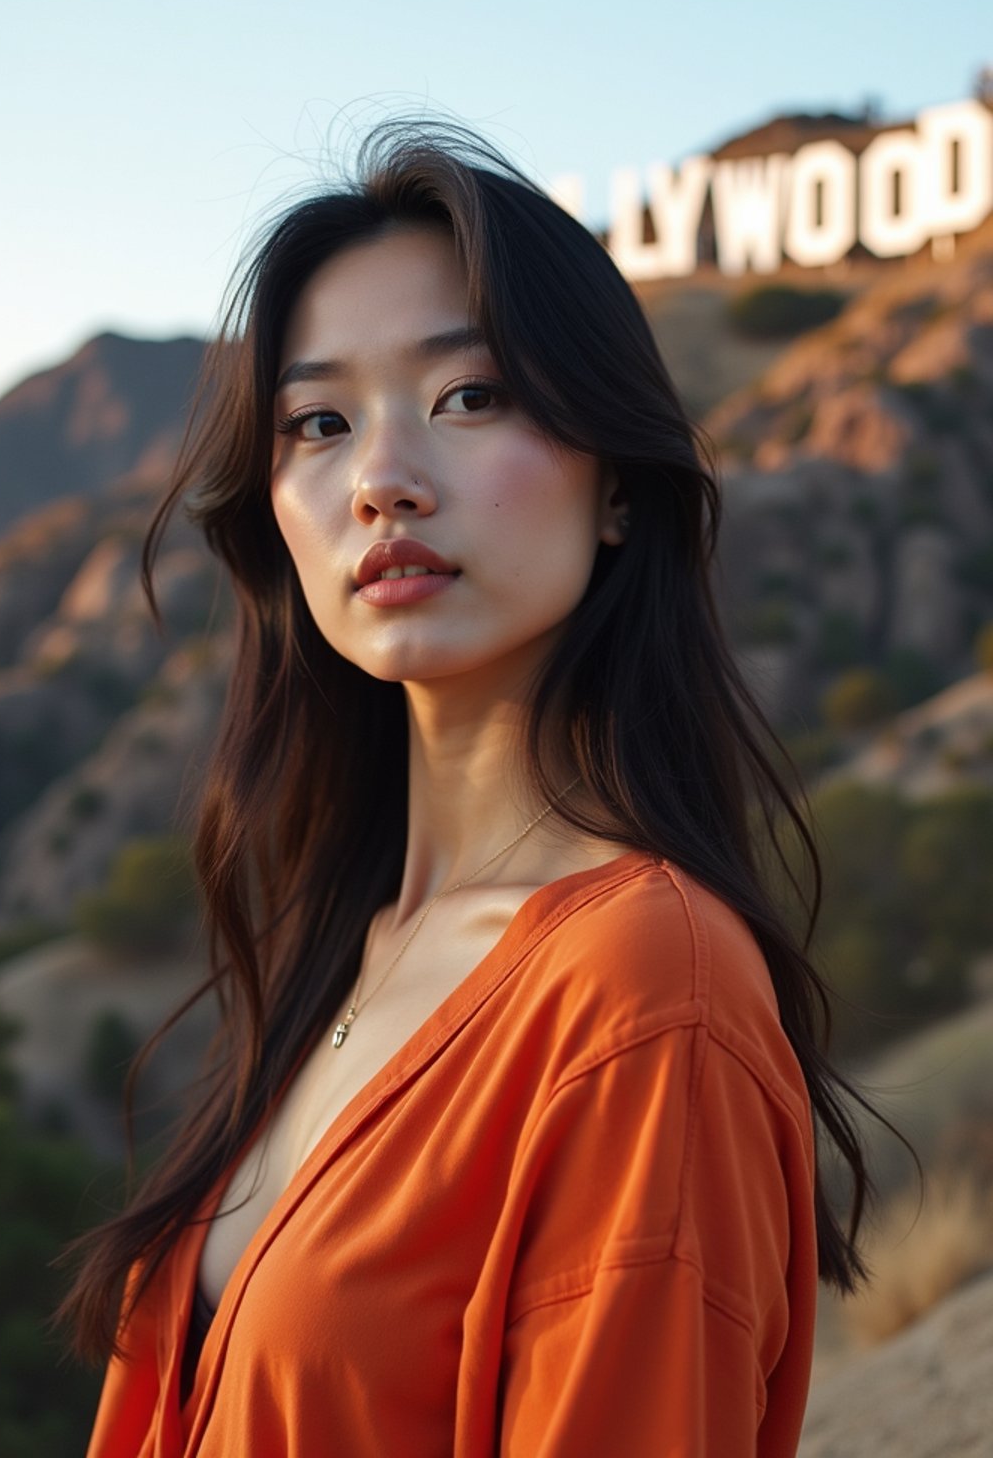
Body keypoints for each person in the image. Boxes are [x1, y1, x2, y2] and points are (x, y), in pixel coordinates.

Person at [54, 115, 904, 1456]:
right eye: (318, 423)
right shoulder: (345, 950)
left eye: (469, 398)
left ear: (615, 482)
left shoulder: (642, 989)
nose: (384, 482)